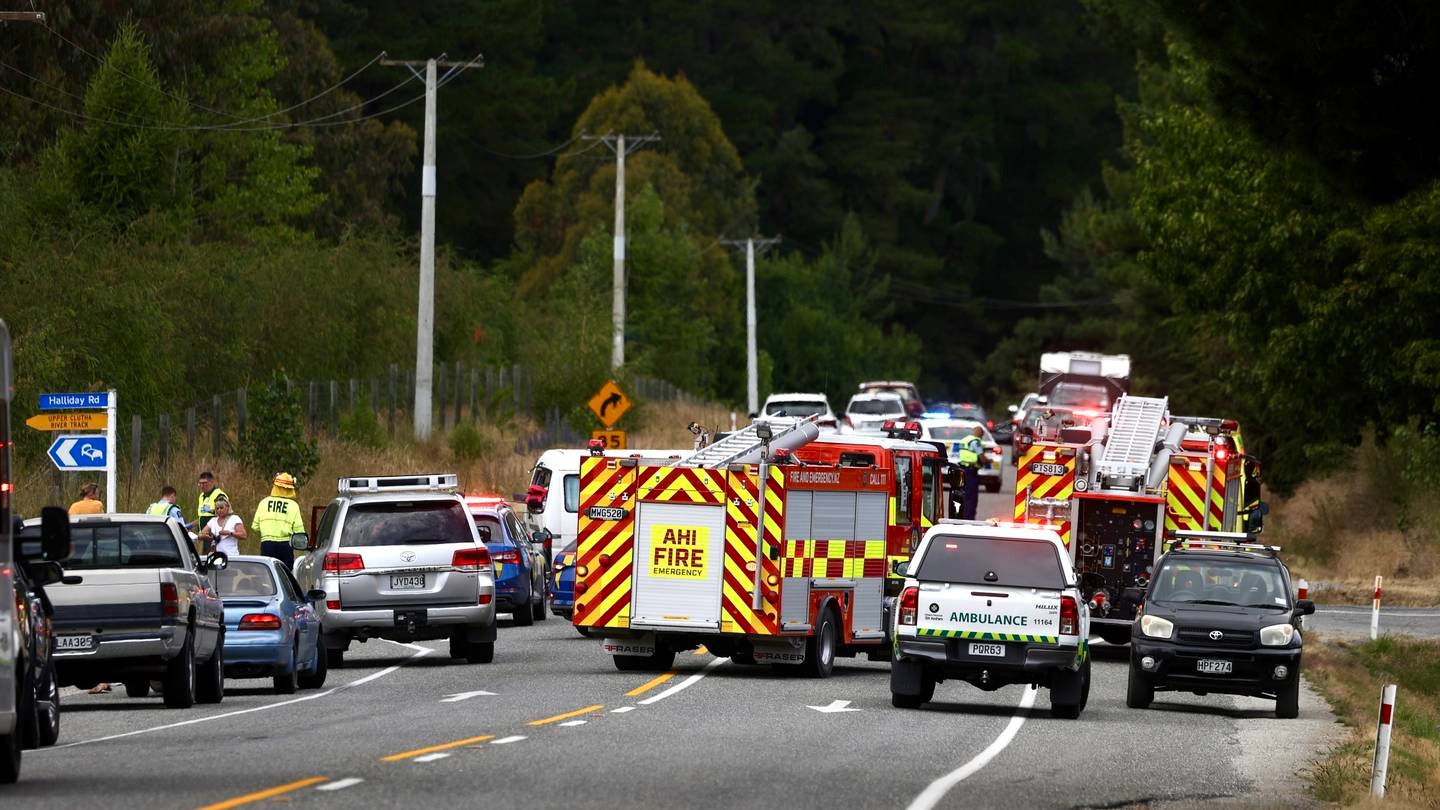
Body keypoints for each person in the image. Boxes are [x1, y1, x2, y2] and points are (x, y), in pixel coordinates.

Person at [253, 472, 305, 566]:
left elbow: (255, 526)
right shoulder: (293, 506)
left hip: (267, 545)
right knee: (285, 575)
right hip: (285, 546)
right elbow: (299, 531)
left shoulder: (263, 503)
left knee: (268, 575)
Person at [957, 426, 984, 521]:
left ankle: (961, 517)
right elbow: (982, 457)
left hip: (962, 469)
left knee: (962, 495)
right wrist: (988, 461)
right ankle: (969, 519)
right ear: (980, 433)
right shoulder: (975, 442)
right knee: (971, 497)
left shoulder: (965, 440)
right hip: (971, 471)